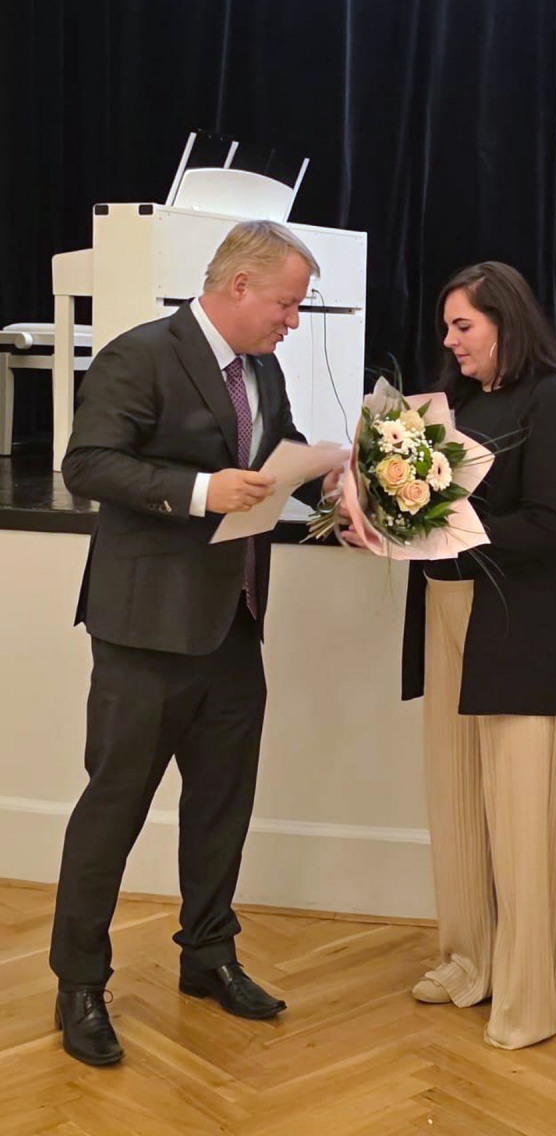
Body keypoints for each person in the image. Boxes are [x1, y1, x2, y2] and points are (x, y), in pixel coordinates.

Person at [50, 220, 341, 1066]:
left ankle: (208, 956)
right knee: (114, 810)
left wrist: (334, 485)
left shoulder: (263, 369)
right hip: (145, 630)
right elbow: (87, 464)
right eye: (287, 303)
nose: (293, 321)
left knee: (221, 806)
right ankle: (79, 983)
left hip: (234, 626)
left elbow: (276, 460)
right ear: (239, 286)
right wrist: (200, 488)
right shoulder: (140, 355)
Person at [401, 261, 556, 1050]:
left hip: (519, 628)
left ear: (505, 322)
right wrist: (380, 518)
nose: (450, 342)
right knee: (454, 801)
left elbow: (551, 525)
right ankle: (469, 960)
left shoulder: (555, 402)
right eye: (446, 328)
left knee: (518, 814)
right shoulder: (457, 406)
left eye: (463, 326)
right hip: (446, 612)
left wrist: (440, 521)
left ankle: (528, 992)